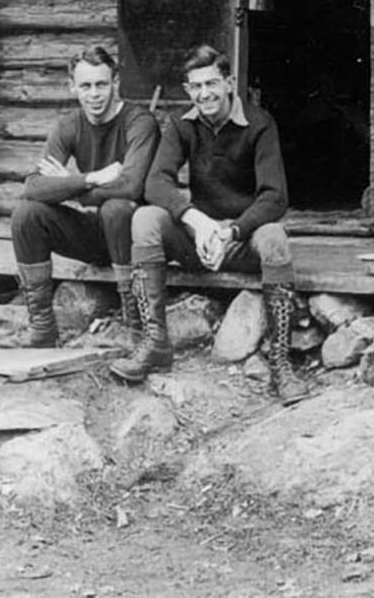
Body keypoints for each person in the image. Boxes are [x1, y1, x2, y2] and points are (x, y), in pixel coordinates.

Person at [109, 44, 309, 403]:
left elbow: (275, 197)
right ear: (188, 90)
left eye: (212, 84)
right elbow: (156, 182)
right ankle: (155, 343)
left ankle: (280, 361)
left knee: (275, 237)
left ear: (230, 82)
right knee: (145, 218)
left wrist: (233, 231)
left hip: (241, 239)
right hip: (199, 240)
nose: (205, 94)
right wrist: (196, 221)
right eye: (196, 87)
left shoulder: (259, 124)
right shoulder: (182, 125)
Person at [10, 44, 159, 347]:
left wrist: (72, 188)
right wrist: (88, 178)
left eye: (102, 84)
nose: (94, 94)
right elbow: (34, 186)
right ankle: (42, 327)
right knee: (27, 214)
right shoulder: (69, 125)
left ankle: (133, 326)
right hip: (97, 233)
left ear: (116, 82)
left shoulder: (139, 122)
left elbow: (131, 186)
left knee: (117, 208)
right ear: (72, 87)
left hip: (135, 239)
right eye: (86, 86)